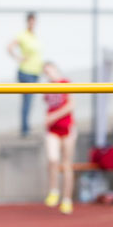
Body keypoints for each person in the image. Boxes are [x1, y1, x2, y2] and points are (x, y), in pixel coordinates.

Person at [42, 62, 76, 215]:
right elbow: (49, 107)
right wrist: (48, 118)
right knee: (52, 159)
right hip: (52, 130)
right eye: (46, 72)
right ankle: (54, 190)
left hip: (67, 127)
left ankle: (67, 199)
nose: (48, 74)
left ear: (56, 70)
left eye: (50, 71)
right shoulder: (47, 89)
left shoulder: (65, 83)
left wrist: (53, 116)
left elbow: (70, 105)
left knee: (66, 164)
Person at [7, 12, 43, 137]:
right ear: (27, 22)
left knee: (30, 100)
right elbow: (9, 47)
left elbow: (36, 55)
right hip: (26, 72)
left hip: (35, 72)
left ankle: (26, 126)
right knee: (27, 100)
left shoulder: (34, 36)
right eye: (30, 21)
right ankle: (25, 128)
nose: (32, 23)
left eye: (34, 21)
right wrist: (18, 58)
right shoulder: (23, 35)